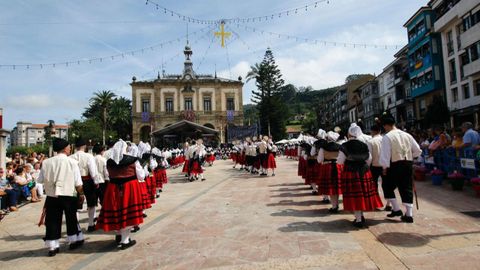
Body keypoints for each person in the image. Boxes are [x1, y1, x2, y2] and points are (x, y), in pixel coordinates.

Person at [37, 138, 85, 256]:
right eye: (69, 147)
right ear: (65, 148)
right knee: (71, 218)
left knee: (52, 220)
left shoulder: (46, 162)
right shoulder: (72, 162)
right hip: (68, 194)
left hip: (52, 195)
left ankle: (53, 246)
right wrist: (82, 194)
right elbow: (78, 183)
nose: (70, 149)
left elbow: (40, 180)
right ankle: (73, 240)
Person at [96, 140, 144, 249]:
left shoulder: (109, 162)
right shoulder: (133, 161)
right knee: (127, 212)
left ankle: (118, 235)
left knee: (116, 211)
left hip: (113, 188)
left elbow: (108, 175)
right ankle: (125, 240)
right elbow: (141, 176)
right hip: (129, 188)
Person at [379, 113, 422, 223]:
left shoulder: (387, 137)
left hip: (394, 164)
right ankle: (409, 214)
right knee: (406, 187)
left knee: (387, 186)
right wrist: (410, 157)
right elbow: (417, 150)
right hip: (407, 163)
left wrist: (384, 167)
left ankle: (397, 209)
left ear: (385, 125)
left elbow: (385, 154)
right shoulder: (407, 135)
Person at [338, 130, 383, 228]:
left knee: (355, 196)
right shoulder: (364, 144)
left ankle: (358, 219)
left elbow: (340, 161)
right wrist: (364, 166)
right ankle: (360, 216)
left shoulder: (344, 146)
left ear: (349, 134)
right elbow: (369, 158)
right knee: (362, 195)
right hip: (364, 171)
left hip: (351, 172)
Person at [70, 138, 99, 232]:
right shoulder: (88, 156)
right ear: (84, 146)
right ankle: (91, 224)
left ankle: (76, 226)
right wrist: (96, 182)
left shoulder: (70, 157)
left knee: (76, 205)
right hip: (87, 181)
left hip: (75, 183)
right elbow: (93, 171)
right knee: (91, 203)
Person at [317, 131, 342, 213]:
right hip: (338, 166)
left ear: (327, 138)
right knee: (336, 187)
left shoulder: (323, 147)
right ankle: (336, 204)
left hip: (327, 167)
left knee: (331, 188)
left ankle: (334, 206)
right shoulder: (340, 146)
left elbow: (319, 160)